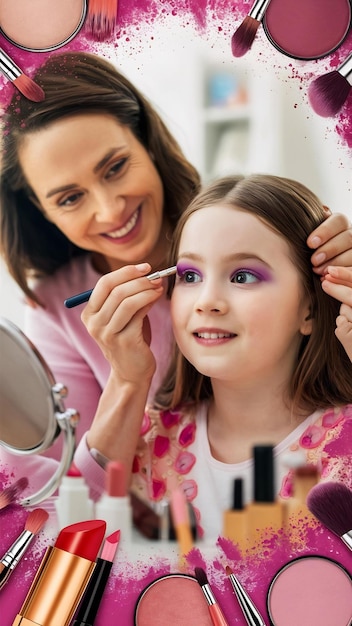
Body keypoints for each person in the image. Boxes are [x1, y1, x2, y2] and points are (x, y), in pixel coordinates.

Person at [0, 51, 352, 499]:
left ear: (148, 143)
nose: (110, 210)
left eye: (115, 167)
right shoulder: (55, 310)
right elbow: (73, 501)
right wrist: (128, 382)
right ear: (40, 211)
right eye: (70, 198)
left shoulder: (247, 218)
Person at [90, 174, 352, 539]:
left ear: (309, 309)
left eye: (243, 276)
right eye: (190, 275)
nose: (206, 301)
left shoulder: (346, 446)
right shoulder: (144, 441)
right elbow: (77, 534)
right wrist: (127, 378)